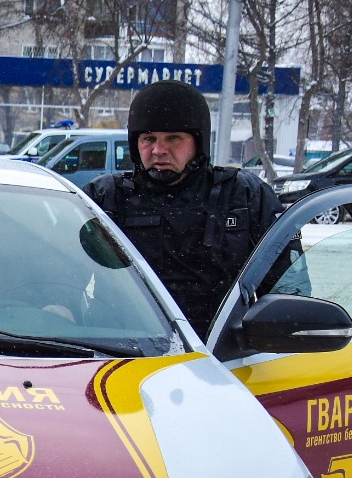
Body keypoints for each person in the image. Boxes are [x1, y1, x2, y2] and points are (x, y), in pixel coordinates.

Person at [85, 79, 307, 339]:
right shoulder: (105, 199)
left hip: (223, 353)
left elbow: (289, 294)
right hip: (118, 350)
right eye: (148, 138)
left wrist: (277, 335)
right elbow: (59, 278)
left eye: (173, 138)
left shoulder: (245, 197)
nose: (158, 150)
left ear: (198, 142)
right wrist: (59, 313)